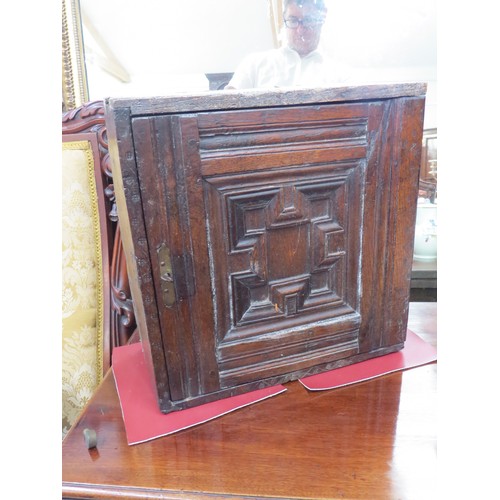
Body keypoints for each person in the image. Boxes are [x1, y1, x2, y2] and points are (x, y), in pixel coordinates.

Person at [225, 0, 348, 90]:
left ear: (321, 21)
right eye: (293, 20)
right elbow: (227, 111)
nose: (300, 30)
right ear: (284, 19)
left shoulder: (339, 75)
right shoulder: (253, 64)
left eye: (308, 20)